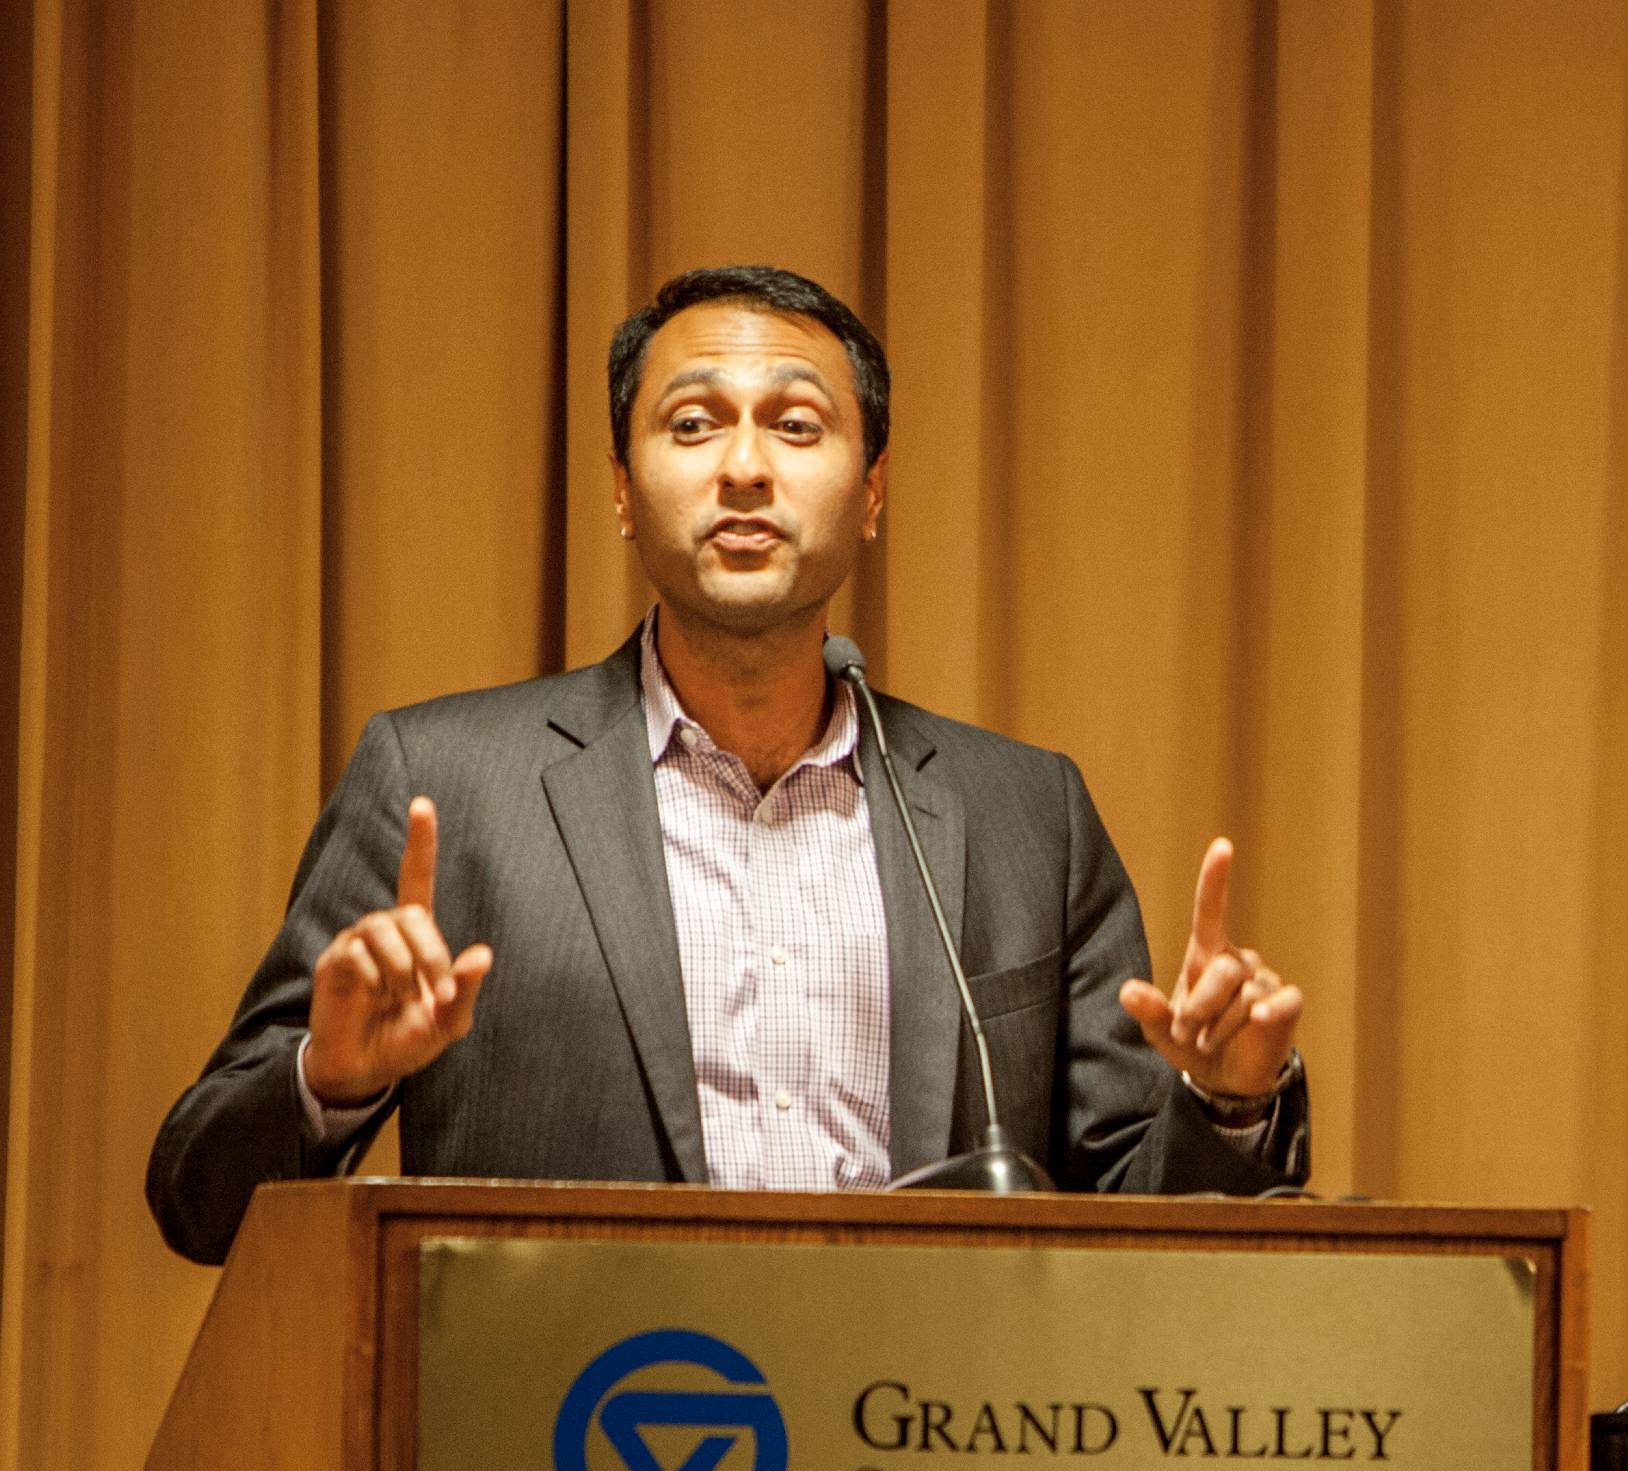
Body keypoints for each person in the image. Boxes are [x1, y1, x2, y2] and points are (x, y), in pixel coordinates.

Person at [147, 266, 1308, 1266]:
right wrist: (332, 1079)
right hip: (589, 1461)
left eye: (796, 427)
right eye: (692, 424)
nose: (743, 468)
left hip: (925, 1468)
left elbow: (1141, 1236)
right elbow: (198, 1202)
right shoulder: (447, 789)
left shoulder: (1023, 815)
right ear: (619, 487)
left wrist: (1224, 1101)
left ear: (872, 491)